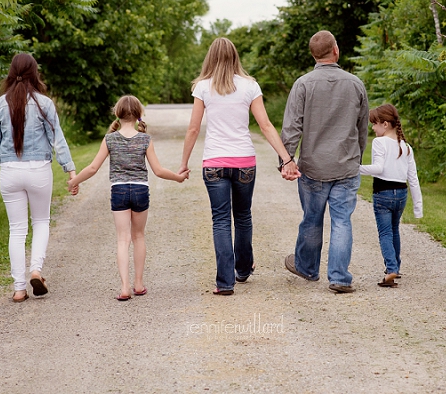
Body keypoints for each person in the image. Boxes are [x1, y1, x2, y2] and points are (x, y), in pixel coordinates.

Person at [179, 37, 298, 296]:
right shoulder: (249, 86)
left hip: (214, 164)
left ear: (210, 57)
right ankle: (243, 269)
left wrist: (183, 163)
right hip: (244, 162)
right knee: (243, 216)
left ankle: (225, 283)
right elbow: (265, 125)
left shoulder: (202, 87)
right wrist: (286, 158)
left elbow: (193, 128)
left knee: (221, 220)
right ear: (235, 57)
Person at [68, 95, 189, 301]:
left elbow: (93, 168)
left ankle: (125, 287)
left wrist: (74, 181)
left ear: (117, 113)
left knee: (122, 239)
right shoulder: (145, 139)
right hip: (141, 190)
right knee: (139, 236)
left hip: (119, 191)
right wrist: (178, 178)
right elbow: (158, 171)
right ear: (139, 115)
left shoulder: (110, 139)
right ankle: (139, 284)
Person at [0, 53, 77, 303]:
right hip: (38, 171)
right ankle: (36, 270)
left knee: (16, 230)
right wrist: (70, 170)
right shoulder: (44, 104)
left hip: (11, 173)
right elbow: (58, 138)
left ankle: (18, 289)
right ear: (35, 72)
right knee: (41, 222)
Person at [281, 30, 369, 293]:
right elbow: (362, 129)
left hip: (313, 167)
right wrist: (357, 158)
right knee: (342, 221)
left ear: (313, 55)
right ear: (336, 50)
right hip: (346, 166)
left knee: (312, 218)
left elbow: (291, 127)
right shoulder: (355, 84)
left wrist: (286, 160)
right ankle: (340, 277)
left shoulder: (303, 84)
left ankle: (307, 268)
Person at [358, 104, 423, 287]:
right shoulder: (406, 146)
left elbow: (379, 168)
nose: (372, 128)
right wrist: (418, 208)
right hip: (401, 194)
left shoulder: (380, 142)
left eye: (374, 124)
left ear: (385, 124)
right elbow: (413, 179)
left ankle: (391, 269)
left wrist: (355, 169)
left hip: (383, 193)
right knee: (394, 230)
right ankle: (396, 267)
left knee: (385, 232)